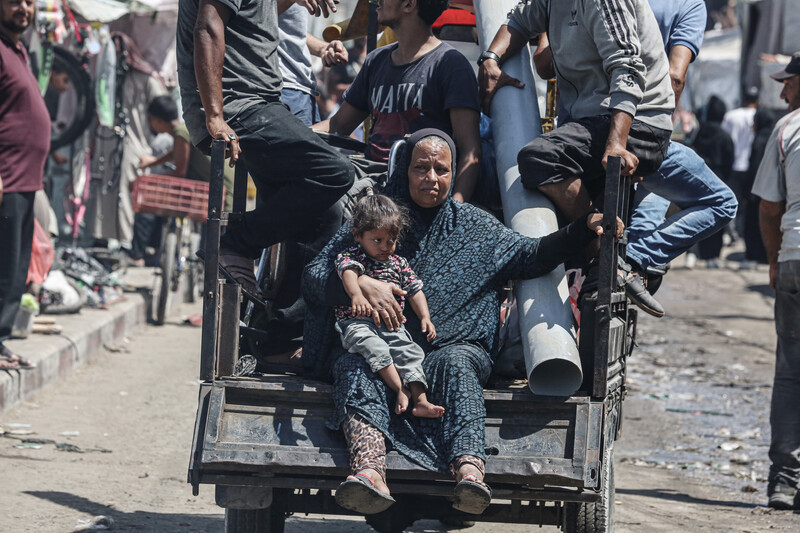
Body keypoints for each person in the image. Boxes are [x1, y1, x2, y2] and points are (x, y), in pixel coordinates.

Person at [302, 129, 620, 515]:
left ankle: (469, 472)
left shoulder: (475, 227)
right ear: (404, 170)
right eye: (421, 168)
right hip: (380, 352)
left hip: (450, 351)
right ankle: (369, 472)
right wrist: (361, 284)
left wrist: (583, 227)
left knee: (457, 363)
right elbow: (315, 275)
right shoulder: (379, 219)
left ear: (454, 173)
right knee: (353, 365)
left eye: (441, 169)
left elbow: (533, 254)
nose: (431, 178)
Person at [480, 0, 674, 315]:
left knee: (538, 158)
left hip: (638, 120)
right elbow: (518, 21)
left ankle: (604, 252)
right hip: (593, 120)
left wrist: (616, 142)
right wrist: (491, 58)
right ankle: (602, 261)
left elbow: (627, 65)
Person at [176, 0, 354, 295]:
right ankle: (235, 243)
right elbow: (207, 27)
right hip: (240, 106)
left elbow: (253, 15)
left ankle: (281, 335)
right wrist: (216, 116)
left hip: (262, 104)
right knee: (335, 172)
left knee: (324, 215)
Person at [313, 0, 482, 203]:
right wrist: (290, 134)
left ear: (409, 5)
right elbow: (338, 124)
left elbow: (470, 151)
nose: (377, 1)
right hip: (369, 185)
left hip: (418, 190)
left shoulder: (451, 66)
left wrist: (453, 214)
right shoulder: (376, 61)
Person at [334, 193, 443, 418]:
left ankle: (421, 400)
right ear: (358, 235)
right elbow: (348, 274)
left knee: (411, 353)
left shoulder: (399, 263)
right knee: (376, 349)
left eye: (391, 241)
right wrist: (356, 296)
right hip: (358, 323)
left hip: (393, 326)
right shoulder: (353, 256)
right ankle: (399, 389)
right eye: (377, 240)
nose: (385, 247)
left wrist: (425, 317)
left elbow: (414, 290)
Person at [751, 51, 800, 510]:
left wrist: (773, 260)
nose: (783, 92)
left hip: (793, 261)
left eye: (789, 82)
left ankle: (784, 482)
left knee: (790, 373)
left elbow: (768, 207)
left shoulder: (786, 130)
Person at [0, 0, 49, 369]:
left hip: (26, 179)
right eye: (15, 1)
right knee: (3, 267)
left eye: (29, 2)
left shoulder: (18, 50)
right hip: (7, 177)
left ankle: (0, 342)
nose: (23, 8)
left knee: (15, 270)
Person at [91, 33, 167, 253]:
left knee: (127, 192)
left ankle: (127, 244)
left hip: (135, 144)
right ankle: (102, 240)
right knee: (103, 190)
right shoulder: (105, 79)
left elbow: (163, 107)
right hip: (106, 141)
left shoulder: (146, 79)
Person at [278, 2, 348, 126]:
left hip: (303, 90)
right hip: (278, 87)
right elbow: (255, 14)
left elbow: (289, 29)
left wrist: (322, 48)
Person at [691, 96, 735, 268]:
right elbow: (729, 160)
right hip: (718, 180)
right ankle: (712, 256)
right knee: (716, 217)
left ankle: (695, 253)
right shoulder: (724, 136)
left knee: (697, 215)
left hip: (698, 179)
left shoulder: (699, 132)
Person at [722, 86, 759, 237]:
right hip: (751, 166)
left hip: (733, 165)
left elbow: (724, 140)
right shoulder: (758, 115)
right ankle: (745, 233)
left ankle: (731, 232)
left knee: (731, 201)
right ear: (757, 101)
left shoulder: (731, 115)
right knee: (749, 203)